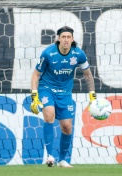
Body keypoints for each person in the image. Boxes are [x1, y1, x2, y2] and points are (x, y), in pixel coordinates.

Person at [30, 26, 97, 168]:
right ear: (58, 39)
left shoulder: (79, 54)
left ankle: (62, 160)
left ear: (72, 39)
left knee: (67, 127)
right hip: (46, 89)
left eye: (68, 37)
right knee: (49, 115)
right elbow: (36, 74)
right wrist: (34, 96)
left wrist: (92, 96)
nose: (66, 40)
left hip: (65, 92)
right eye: (63, 37)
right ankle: (49, 156)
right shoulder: (48, 53)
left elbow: (88, 74)